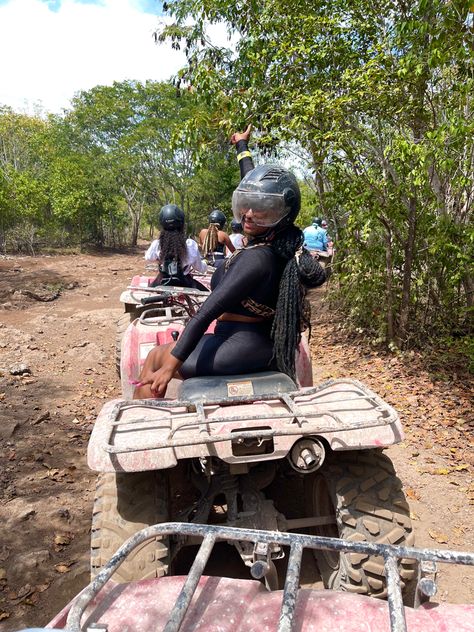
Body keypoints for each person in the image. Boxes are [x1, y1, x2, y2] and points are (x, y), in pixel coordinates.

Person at [134, 125, 326, 399]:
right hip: (253, 342)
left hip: (238, 345)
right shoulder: (277, 245)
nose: (248, 214)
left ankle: (145, 429)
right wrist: (242, 147)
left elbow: (208, 311)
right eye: (245, 204)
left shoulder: (257, 258)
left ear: (279, 214)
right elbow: (254, 187)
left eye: (259, 209)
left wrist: (171, 365)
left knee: (155, 357)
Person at [145, 204, 208, 290]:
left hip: (162, 282)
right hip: (185, 284)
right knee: (207, 295)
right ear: (181, 223)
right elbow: (200, 268)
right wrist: (205, 264)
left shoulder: (157, 244)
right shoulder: (190, 244)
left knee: (148, 294)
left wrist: (159, 259)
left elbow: (148, 258)